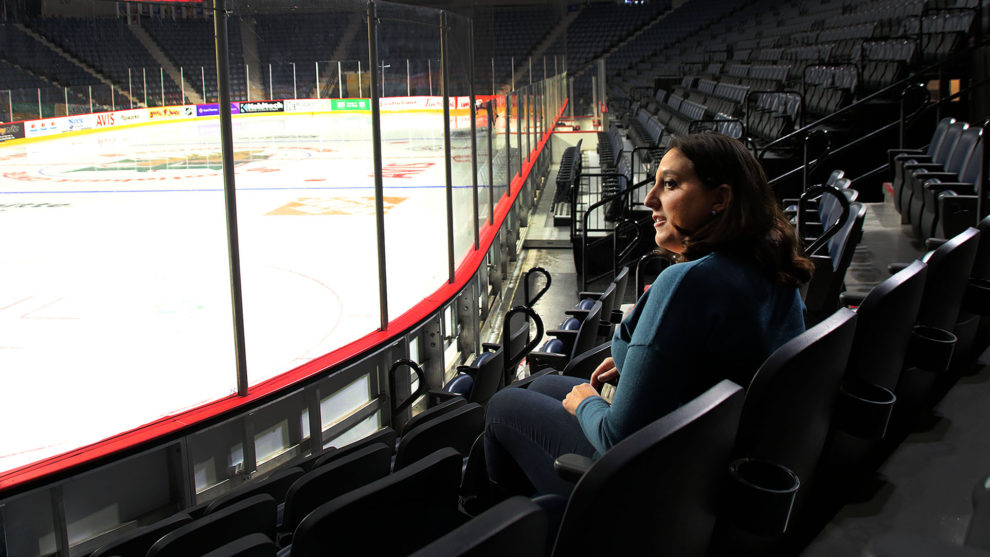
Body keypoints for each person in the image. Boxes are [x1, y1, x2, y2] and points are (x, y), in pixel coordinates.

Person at [483, 132, 814, 497]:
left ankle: (521, 522)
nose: (649, 199)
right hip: (708, 451)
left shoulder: (687, 282)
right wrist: (631, 362)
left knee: (503, 404)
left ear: (720, 198)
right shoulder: (770, 260)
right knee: (545, 384)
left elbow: (617, 438)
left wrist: (587, 403)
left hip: (650, 480)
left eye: (670, 184)